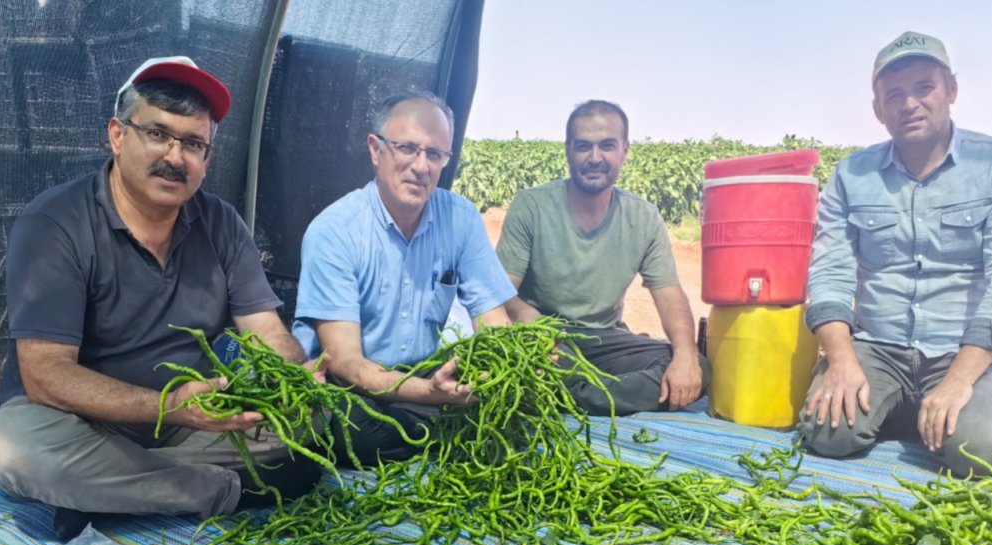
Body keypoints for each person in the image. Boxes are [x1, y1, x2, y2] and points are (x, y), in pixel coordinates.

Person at [0, 56, 321, 541]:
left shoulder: (221, 223)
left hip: (197, 419)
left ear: (208, 158)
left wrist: (293, 375)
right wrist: (169, 404)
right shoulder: (55, 223)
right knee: (7, 448)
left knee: (311, 417)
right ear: (118, 135)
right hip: (82, 424)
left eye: (194, 143)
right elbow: (45, 374)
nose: (176, 157)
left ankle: (108, 493)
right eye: (158, 134)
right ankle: (224, 491)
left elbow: (265, 330)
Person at [799, 32, 992, 476]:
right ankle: (906, 409)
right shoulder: (853, 173)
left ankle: (971, 400)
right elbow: (829, 274)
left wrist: (959, 381)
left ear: (951, 90)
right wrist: (841, 361)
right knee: (828, 434)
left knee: (978, 452)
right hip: (877, 349)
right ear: (878, 110)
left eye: (923, 87)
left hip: (960, 352)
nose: (909, 103)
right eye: (894, 95)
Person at [292, 91, 516, 465]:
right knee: (351, 430)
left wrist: (515, 361)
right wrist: (431, 393)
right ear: (376, 150)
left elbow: (495, 323)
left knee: (508, 412)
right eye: (407, 148)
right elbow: (345, 361)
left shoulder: (460, 217)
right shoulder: (334, 230)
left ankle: (435, 432)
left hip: (425, 374)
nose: (421, 166)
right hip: (351, 387)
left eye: (434, 154)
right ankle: (438, 434)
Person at [495, 100, 708, 416]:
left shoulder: (643, 218)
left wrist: (686, 354)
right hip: (545, 340)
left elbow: (669, 295)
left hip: (604, 342)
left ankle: (564, 394)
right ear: (568, 150)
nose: (595, 158)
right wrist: (531, 320)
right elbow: (499, 292)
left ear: (625, 150)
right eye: (583, 146)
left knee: (698, 367)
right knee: (517, 364)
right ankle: (600, 396)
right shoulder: (532, 206)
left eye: (607, 146)